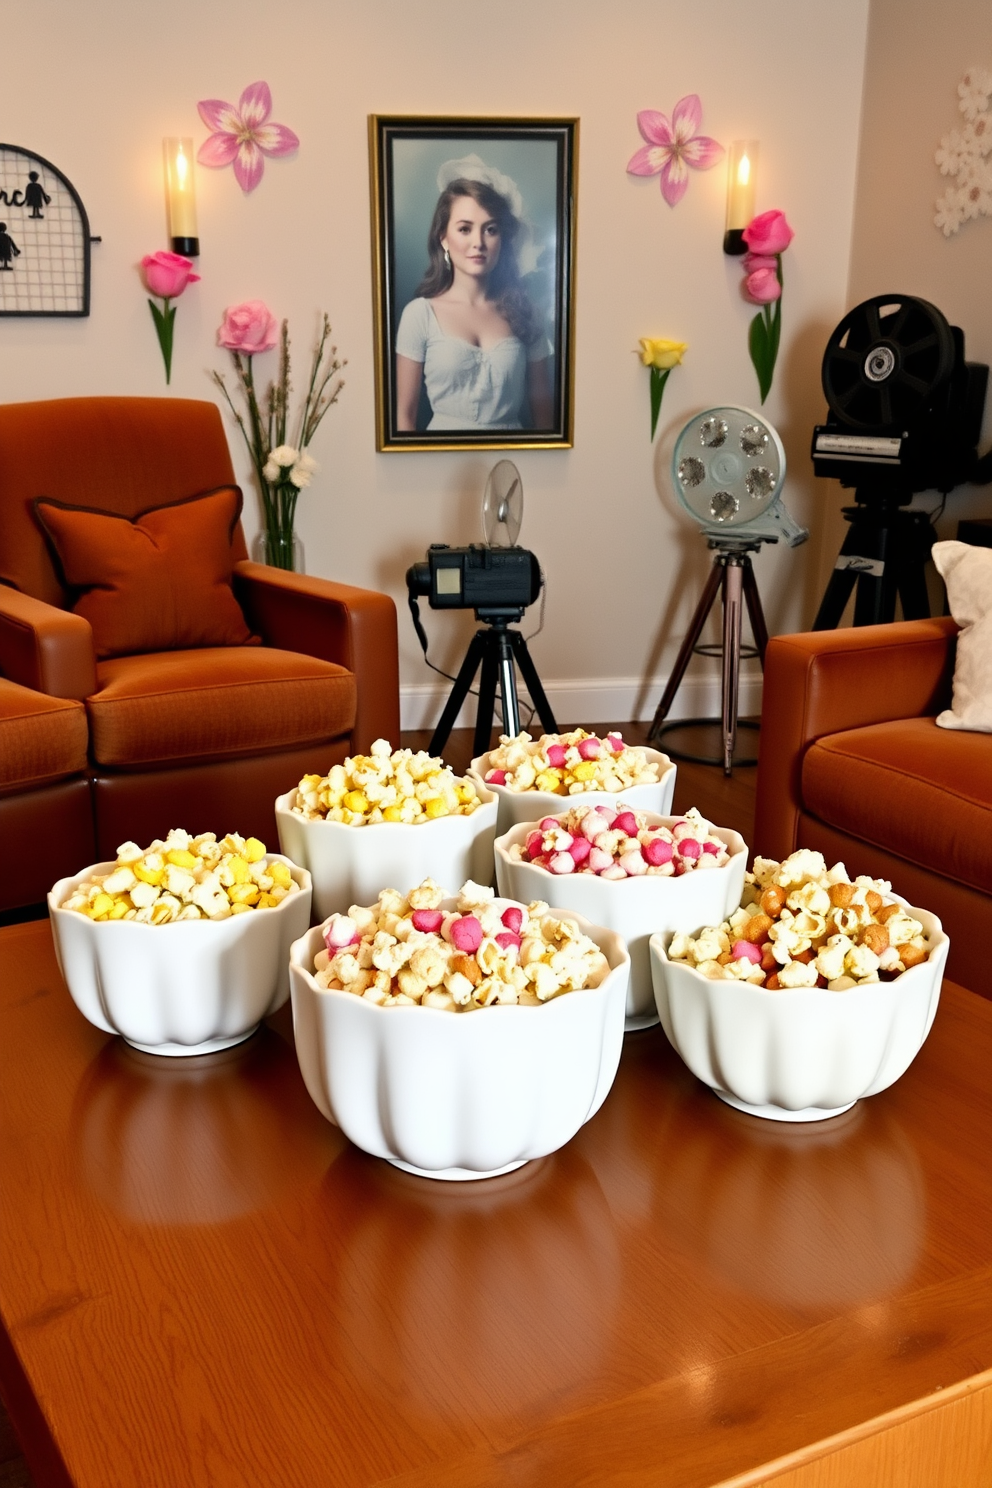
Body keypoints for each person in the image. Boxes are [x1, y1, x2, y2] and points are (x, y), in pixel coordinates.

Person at [395, 172, 553, 433]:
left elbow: (545, 420)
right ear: (443, 238)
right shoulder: (420, 314)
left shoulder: (526, 313)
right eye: (465, 229)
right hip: (437, 461)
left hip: (512, 462)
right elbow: (405, 419)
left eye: (490, 230)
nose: (478, 243)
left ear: (501, 240)